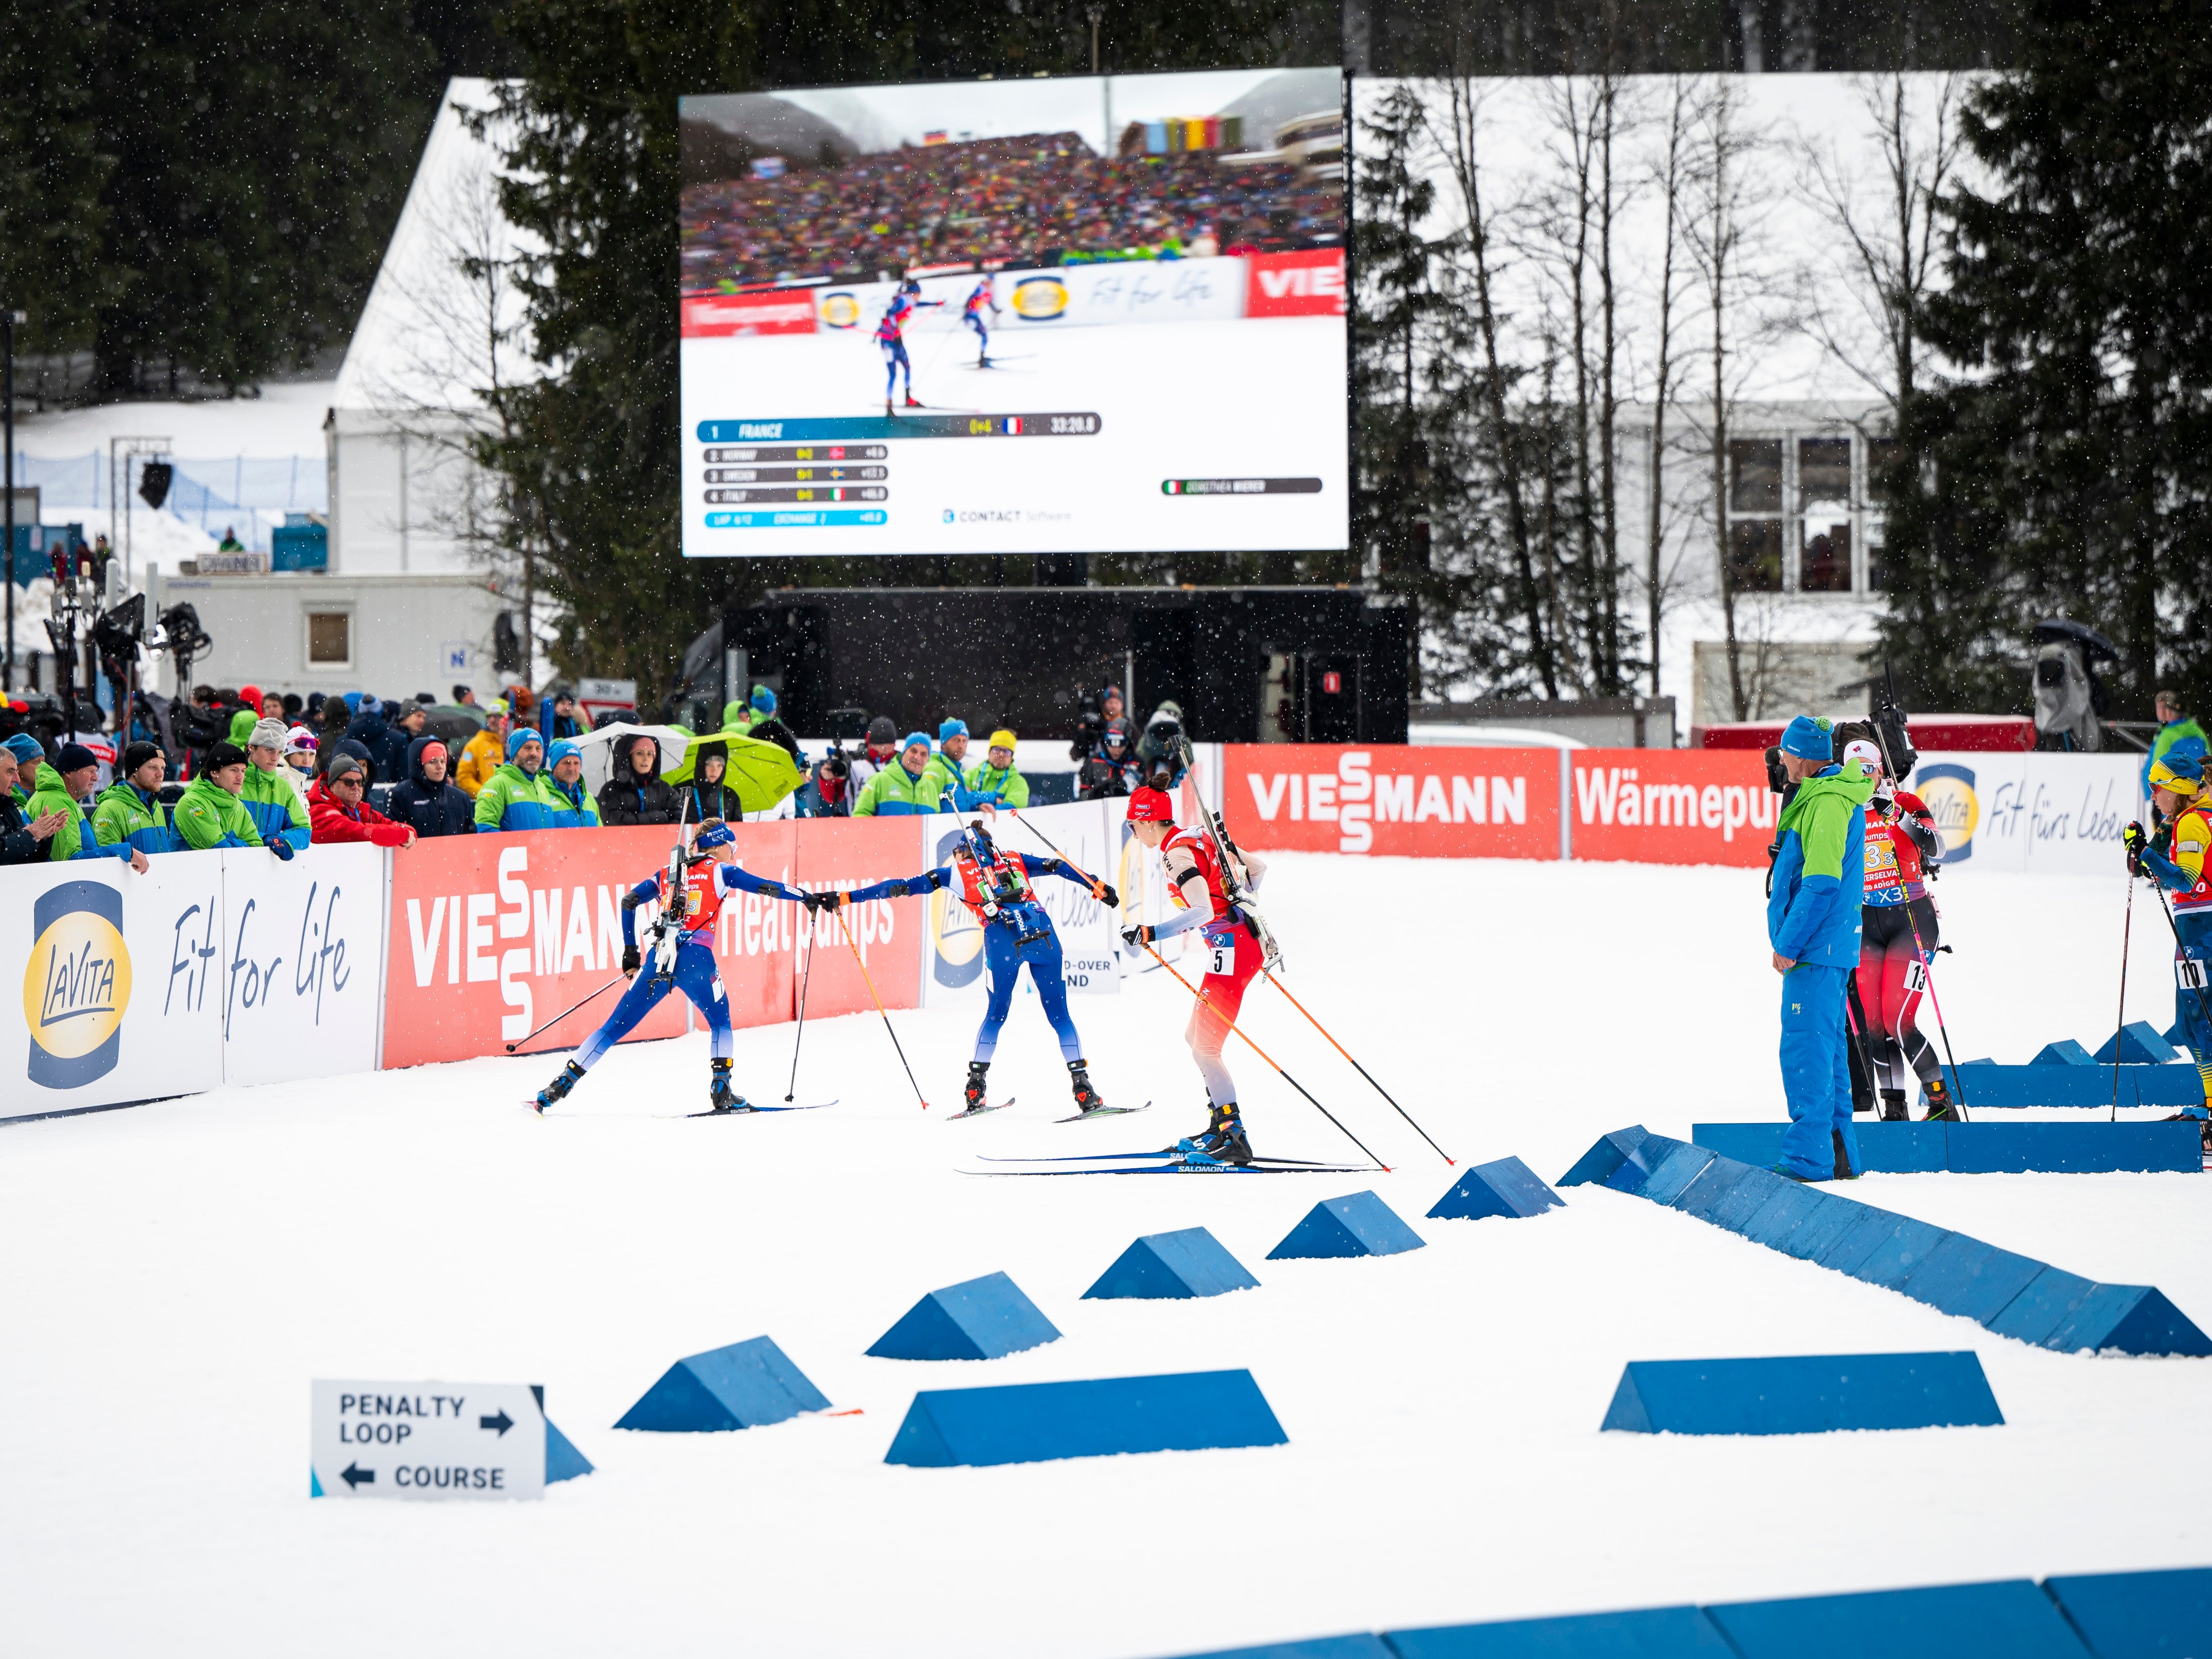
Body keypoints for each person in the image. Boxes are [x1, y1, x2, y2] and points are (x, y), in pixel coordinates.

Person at [824, 813, 1119, 1117]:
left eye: (956, 852)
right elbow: (1056, 866)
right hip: (1042, 935)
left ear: (963, 851)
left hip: (1003, 942)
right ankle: (1083, 1088)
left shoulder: (954, 873)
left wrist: (846, 898)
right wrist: (1095, 884)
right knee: (1060, 1016)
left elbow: (901, 887)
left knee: (996, 1015)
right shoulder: (1014, 858)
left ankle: (975, 1087)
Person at [533, 821, 810, 1114]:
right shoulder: (720, 871)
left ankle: (561, 1085)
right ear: (717, 847)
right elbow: (768, 888)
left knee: (612, 1029)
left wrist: (631, 953)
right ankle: (722, 1090)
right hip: (696, 959)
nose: (734, 854)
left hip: (660, 958)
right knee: (720, 1022)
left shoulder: (667, 872)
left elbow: (629, 902)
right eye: (732, 847)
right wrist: (806, 897)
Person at [1117, 785, 1270, 1165]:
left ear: (1148, 822)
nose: (1133, 832)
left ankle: (1234, 1136)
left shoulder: (1175, 853)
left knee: (1206, 1049)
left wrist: (1150, 932)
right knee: (1194, 1037)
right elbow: (1257, 870)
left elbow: (1202, 911)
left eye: (1134, 825)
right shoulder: (1198, 836)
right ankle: (1219, 1126)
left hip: (1233, 951)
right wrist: (1239, 906)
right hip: (1233, 947)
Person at [1766, 716, 1875, 1182]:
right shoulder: (1824, 794)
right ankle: (1838, 1156)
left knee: (1805, 1054)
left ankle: (1807, 1161)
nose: (1781, 759)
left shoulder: (1828, 801)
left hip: (1814, 949)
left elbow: (1821, 883)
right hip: (1825, 949)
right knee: (1827, 1056)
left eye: (1785, 752)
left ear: (1803, 756)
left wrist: (1787, 943)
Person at [1834, 733, 1954, 1122]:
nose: (1861, 776)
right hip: (1867, 927)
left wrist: (1898, 817)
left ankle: (1941, 1104)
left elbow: (1938, 847)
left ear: (1880, 770)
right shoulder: (1843, 812)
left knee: (1899, 1022)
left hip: (1911, 921)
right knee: (1872, 1026)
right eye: (1853, 770)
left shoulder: (1905, 801)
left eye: (1868, 769)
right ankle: (1894, 1110)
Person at [2125, 737, 2212, 1109]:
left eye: (2157, 787)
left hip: (2201, 931)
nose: (2153, 795)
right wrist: (2143, 854)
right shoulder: (2184, 821)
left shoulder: (2192, 822)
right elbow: (2162, 871)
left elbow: (2186, 879)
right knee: (2189, 1025)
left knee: (2200, 1023)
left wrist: (2146, 853)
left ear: (2176, 789)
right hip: (2193, 930)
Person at [22, 742, 148, 868]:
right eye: (90, 771)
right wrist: (124, 851)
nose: (96, 778)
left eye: (96, 772)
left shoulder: (63, 799)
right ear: (69, 773)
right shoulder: (56, 801)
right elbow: (71, 862)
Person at [174, 740, 288, 859]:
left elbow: (256, 846)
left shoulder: (239, 807)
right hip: (192, 871)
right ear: (214, 772)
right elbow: (218, 850)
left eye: (243, 771)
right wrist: (239, 844)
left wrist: (230, 842)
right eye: (234, 770)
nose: (240, 777)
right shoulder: (192, 803)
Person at [309, 750, 415, 848]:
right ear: (332, 786)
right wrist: (401, 834)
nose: (355, 787)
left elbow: (402, 828)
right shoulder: (319, 808)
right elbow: (354, 833)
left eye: (360, 782)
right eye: (348, 782)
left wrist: (406, 832)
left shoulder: (361, 810)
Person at [240, 718, 312, 853]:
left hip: (269, 864)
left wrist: (281, 841)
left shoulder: (283, 787)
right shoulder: (234, 780)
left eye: (279, 752)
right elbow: (227, 831)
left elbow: (304, 831)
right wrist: (266, 839)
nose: (275, 758)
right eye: (270, 750)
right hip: (232, 862)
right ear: (252, 747)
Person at [94, 742, 176, 856]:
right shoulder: (109, 809)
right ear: (134, 771)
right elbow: (107, 859)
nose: (160, 774)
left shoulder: (156, 806)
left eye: (162, 768)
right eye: (153, 768)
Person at [383, 735, 474, 837]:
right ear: (420, 766)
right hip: (416, 848)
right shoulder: (398, 796)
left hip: (454, 849)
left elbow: (470, 838)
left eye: (443, 761)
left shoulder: (460, 798)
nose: (440, 767)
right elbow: (390, 836)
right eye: (432, 762)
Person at [877, 277, 942, 413]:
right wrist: (895, 330)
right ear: (913, 293)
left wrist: (935, 303)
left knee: (907, 367)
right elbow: (890, 314)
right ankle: (889, 404)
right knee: (893, 374)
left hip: (897, 340)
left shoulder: (910, 301)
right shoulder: (903, 299)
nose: (919, 297)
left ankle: (908, 398)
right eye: (918, 294)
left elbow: (919, 304)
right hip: (888, 341)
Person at [474, 726, 555, 831]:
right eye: (528, 748)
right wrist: (518, 842)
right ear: (514, 755)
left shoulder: (542, 787)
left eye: (538, 748)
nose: (534, 753)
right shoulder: (498, 784)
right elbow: (484, 828)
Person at [0, 744, 67, 863]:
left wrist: (43, 838)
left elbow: (28, 862)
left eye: (17, 772)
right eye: (10, 772)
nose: (17, 779)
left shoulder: (10, 807)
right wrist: (31, 834)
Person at [598, 732, 679, 826]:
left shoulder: (664, 789)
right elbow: (616, 822)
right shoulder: (611, 791)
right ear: (629, 757)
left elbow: (679, 818)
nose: (646, 759)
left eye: (650, 754)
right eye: (640, 753)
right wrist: (659, 817)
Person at [2143, 691, 2208, 803]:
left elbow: (2156, 769)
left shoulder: (2167, 735)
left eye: (2164, 707)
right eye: (2159, 707)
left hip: (2170, 798)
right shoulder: (2199, 732)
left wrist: (2153, 794)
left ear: (2169, 711)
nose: (2162, 712)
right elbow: (2208, 763)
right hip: (2198, 796)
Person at [852, 732, 938, 815]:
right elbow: (860, 815)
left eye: (923, 754)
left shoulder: (931, 788)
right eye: (914, 751)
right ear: (904, 753)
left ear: (928, 759)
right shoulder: (879, 780)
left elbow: (936, 821)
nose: (918, 757)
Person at [538, 738, 601, 828]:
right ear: (555, 766)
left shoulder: (588, 798)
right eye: (567, 763)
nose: (572, 768)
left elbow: (600, 833)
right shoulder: (541, 793)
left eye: (576, 763)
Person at [455, 698, 509, 798]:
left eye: (497, 716)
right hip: (489, 803)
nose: (492, 720)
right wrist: (487, 794)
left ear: (507, 719)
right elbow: (463, 777)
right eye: (489, 716)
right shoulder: (474, 745)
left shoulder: (515, 743)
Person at [964, 729, 1029, 809]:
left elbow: (1012, 811)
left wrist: (974, 800)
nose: (1001, 754)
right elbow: (960, 799)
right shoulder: (971, 775)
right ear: (989, 752)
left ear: (1012, 757)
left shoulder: (1018, 782)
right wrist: (994, 799)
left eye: (1007, 752)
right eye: (996, 750)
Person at [680, 740, 742, 822]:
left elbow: (738, 829)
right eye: (710, 764)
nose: (714, 771)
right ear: (701, 764)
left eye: (720, 765)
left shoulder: (731, 797)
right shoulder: (682, 793)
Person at [1136, 701, 1193, 791]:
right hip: (1155, 771)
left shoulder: (1180, 736)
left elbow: (1188, 763)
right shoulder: (1151, 733)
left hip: (1172, 774)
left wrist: (1179, 737)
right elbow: (1141, 760)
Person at [1079, 717, 1141, 800]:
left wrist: (1126, 794)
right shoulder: (1093, 761)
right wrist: (1098, 792)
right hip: (1099, 807)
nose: (1116, 750)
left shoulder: (1137, 762)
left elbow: (1145, 796)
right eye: (1110, 743)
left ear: (1128, 743)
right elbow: (1082, 796)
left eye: (1121, 743)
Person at [962, 273, 1000, 366]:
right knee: (984, 334)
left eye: (992, 282)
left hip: (975, 317)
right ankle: (982, 357)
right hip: (970, 317)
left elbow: (989, 303)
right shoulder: (981, 288)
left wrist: (996, 310)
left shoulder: (988, 292)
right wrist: (966, 308)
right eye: (989, 281)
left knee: (985, 336)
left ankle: (982, 356)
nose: (990, 284)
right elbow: (972, 297)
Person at [3, 731, 44, 803]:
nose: (43, 767)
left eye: (43, 761)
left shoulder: (45, 795)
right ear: (17, 766)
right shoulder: (5, 798)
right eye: (36, 762)